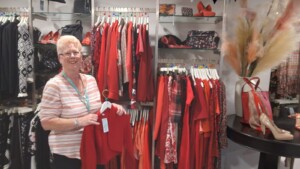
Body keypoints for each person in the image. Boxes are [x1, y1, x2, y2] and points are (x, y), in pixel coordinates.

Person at [39, 35, 125, 169]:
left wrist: (111, 107)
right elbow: (46, 123)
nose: (73, 56)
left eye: (76, 52)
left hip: (94, 149)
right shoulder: (54, 85)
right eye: (67, 53)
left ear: (81, 56)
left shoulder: (91, 80)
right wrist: (79, 121)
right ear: (60, 58)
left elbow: (95, 110)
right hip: (68, 156)